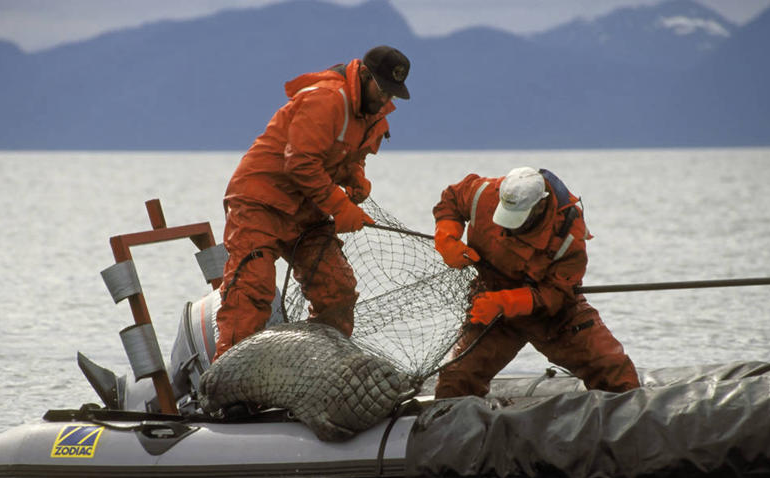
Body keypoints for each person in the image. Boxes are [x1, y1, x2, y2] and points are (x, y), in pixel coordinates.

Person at [213, 45, 411, 361]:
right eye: (382, 89)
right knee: (251, 291)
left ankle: (316, 366)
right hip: (260, 201)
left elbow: (346, 155)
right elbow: (300, 162)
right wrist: (341, 207)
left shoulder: (373, 114)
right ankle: (229, 378)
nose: (386, 98)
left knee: (337, 290)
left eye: (393, 93)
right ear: (364, 74)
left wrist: (355, 178)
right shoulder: (327, 98)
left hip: (307, 209)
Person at [432, 166, 640, 397]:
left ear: (540, 205)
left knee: (612, 371)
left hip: (554, 318)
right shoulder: (484, 193)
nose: (508, 226)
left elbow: (557, 293)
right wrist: (446, 237)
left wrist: (504, 302)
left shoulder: (569, 234)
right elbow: (453, 198)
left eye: (517, 220)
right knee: (457, 381)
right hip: (492, 311)